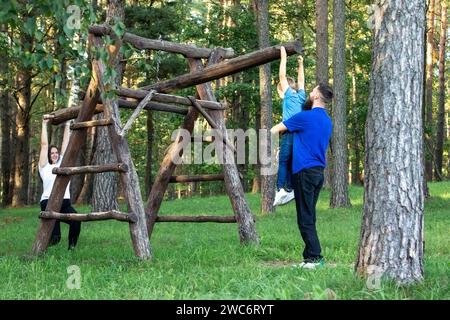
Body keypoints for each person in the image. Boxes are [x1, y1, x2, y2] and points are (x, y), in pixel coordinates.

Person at [270, 83, 333, 269]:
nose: (310, 92)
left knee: (305, 217)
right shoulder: (327, 121)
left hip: (304, 173)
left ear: (316, 97)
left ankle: (315, 258)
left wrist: (278, 151)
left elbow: (275, 129)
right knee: (309, 216)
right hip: (317, 174)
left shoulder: (304, 117)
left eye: (313, 90)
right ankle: (308, 258)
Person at [39, 115, 80, 250]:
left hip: (64, 202)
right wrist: (45, 124)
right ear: (48, 156)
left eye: (56, 153)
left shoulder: (63, 164)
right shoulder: (44, 166)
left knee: (76, 221)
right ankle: (42, 249)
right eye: (52, 153)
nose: (55, 155)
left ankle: (71, 249)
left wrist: (67, 123)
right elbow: (44, 145)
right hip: (48, 202)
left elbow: (66, 144)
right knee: (56, 238)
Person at [273, 46, 306, 207]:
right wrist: (301, 64)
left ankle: (280, 189)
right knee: (292, 161)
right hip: (300, 135)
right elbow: (301, 81)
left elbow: (282, 75)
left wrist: (283, 57)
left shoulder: (287, 95)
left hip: (290, 132)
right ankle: (290, 188)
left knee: (283, 160)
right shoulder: (301, 96)